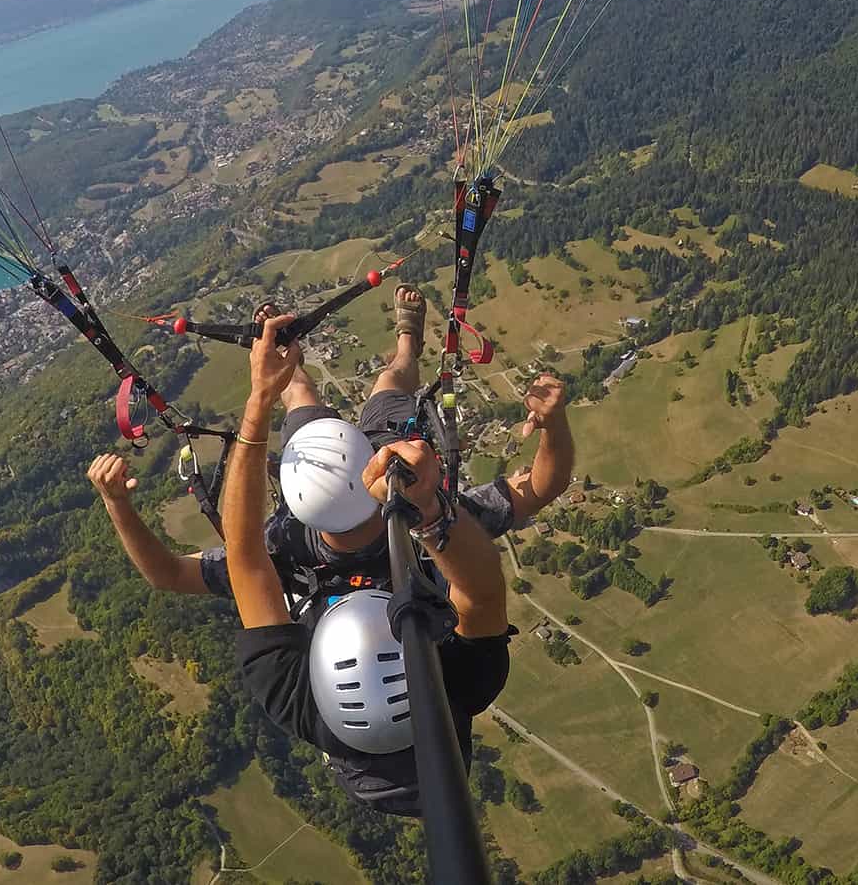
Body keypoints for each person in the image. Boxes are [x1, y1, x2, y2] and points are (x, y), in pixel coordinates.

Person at [88, 286, 572, 606]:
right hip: (388, 461)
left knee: (299, 393)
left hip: (346, 461)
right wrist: (554, 426)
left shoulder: (284, 549)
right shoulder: (426, 514)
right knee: (389, 382)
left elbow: (170, 574)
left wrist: (117, 505)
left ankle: (285, 357)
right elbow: (540, 487)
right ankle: (406, 345)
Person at [224, 313, 512, 814]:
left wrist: (431, 511)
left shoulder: (462, 688)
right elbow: (244, 553)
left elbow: (483, 594)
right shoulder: (299, 704)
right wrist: (258, 402)